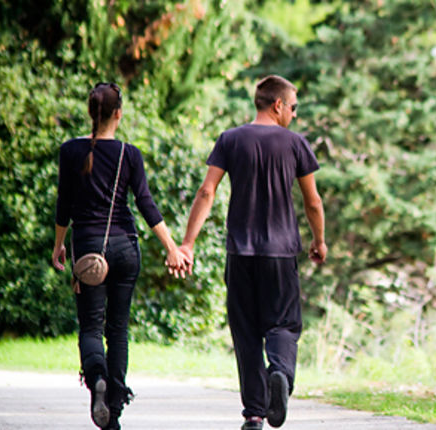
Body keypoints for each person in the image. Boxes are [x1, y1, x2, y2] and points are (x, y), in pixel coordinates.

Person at [177, 74, 327, 430]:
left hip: (240, 252)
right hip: (280, 253)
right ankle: (280, 373)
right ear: (278, 105)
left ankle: (255, 414)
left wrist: (187, 243)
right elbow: (313, 202)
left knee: (246, 332)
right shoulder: (295, 144)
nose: (294, 114)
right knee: (284, 325)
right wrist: (319, 241)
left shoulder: (230, 139)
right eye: (293, 107)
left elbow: (206, 193)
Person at [51, 82, 190, 429]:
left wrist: (59, 244)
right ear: (119, 113)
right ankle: (113, 408)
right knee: (118, 330)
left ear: (90, 113)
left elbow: (64, 203)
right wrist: (172, 247)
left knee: (91, 327)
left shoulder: (70, 151)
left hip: (89, 250)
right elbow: (146, 204)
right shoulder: (130, 153)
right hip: (126, 247)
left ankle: (96, 377)